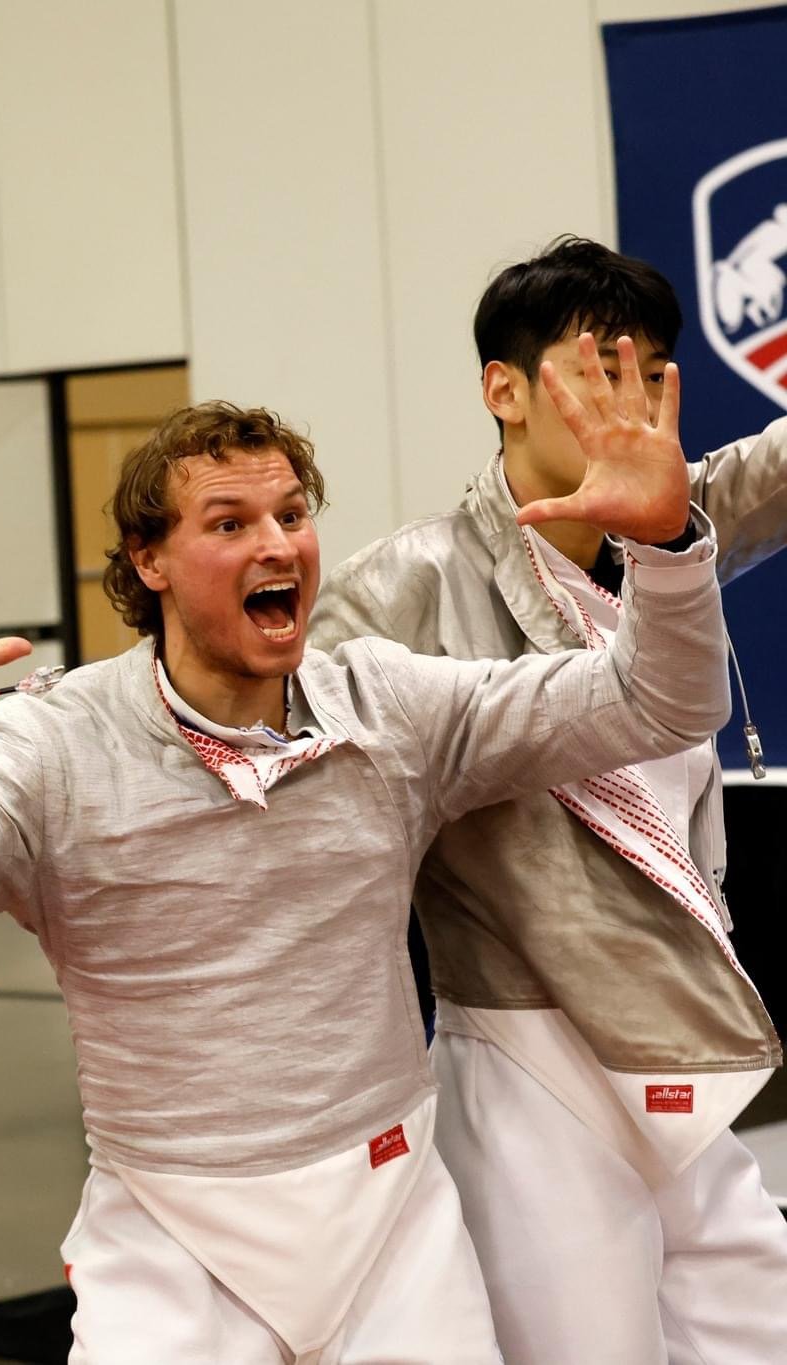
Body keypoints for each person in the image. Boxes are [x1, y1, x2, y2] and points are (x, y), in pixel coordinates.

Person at [0, 338, 729, 1360]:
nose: (274, 544)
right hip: (172, 1235)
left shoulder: (384, 703)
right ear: (148, 561)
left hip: (388, 1217)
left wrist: (666, 552)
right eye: (227, 524)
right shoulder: (52, 745)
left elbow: (658, 703)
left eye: (288, 515)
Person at [313, 236, 787, 1362]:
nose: (622, 398)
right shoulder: (400, 585)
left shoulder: (662, 532)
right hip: (525, 1047)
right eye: (593, 368)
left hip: (678, 1025)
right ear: (503, 391)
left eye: (646, 371)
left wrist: (669, 532)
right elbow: (307, 809)